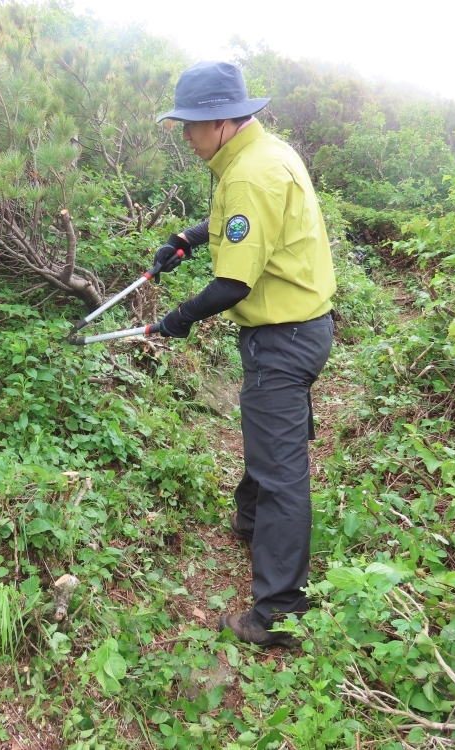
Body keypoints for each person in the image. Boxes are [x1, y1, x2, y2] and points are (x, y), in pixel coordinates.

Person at [153, 61, 336, 647]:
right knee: (269, 438)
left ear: (223, 123)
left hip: (282, 338)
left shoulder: (250, 175)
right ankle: (250, 521)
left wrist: (176, 320)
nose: (186, 135)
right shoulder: (262, 153)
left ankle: (279, 611)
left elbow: (232, 284)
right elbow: (244, 225)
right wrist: (187, 239)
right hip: (301, 329)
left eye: (191, 124)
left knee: (281, 473)